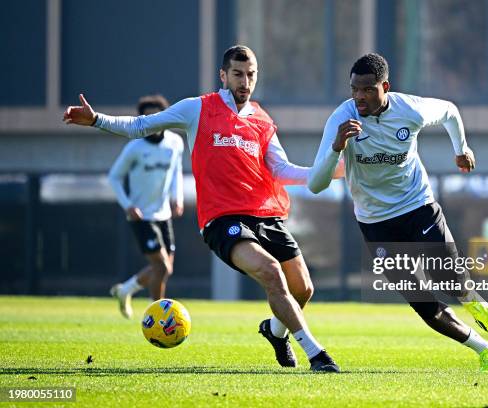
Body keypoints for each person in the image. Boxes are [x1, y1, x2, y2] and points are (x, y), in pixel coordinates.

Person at [63, 45, 340, 373]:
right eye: (237, 74)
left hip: (266, 214)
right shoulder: (198, 108)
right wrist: (96, 120)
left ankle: (276, 333)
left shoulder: (263, 120)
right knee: (270, 272)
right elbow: (141, 126)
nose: (245, 81)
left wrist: (327, 170)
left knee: (303, 289)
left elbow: (281, 169)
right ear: (223, 76)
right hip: (223, 219)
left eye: (251, 75)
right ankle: (317, 354)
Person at [308, 53, 488, 373]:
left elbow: (450, 112)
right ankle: (484, 350)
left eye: (368, 90)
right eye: (354, 90)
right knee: (423, 303)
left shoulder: (409, 109)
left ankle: (471, 298)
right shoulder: (340, 120)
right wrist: (336, 148)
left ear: (385, 87)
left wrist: (461, 149)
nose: (359, 97)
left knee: (449, 278)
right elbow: (316, 184)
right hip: (375, 222)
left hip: (417, 206)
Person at [107, 95, 184, 319]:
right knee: (162, 268)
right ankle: (158, 316)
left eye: (156, 117)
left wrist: (177, 196)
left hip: (164, 214)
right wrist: (128, 205)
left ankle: (125, 290)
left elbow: (176, 171)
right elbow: (114, 177)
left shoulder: (175, 143)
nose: (152, 122)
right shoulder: (134, 147)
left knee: (163, 269)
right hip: (141, 216)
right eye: (147, 117)